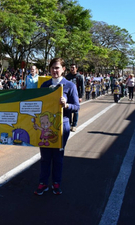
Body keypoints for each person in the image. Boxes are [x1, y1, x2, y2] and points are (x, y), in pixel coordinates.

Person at [34, 58, 80, 196]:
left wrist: (66, 105)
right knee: (45, 156)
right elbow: (38, 104)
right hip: (45, 127)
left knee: (58, 156)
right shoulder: (44, 85)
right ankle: (43, 183)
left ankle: (56, 183)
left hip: (62, 126)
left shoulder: (70, 85)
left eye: (58, 68)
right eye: (53, 67)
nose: (55, 70)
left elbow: (76, 106)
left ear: (63, 69)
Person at [65, 64, 84, 132]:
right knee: (68, 110)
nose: (72, 69)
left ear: (76, 68)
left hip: (76, 96)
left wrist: (81, 96)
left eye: (73, 68)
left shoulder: (79, 77)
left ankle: (74, 125)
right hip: (69, 96)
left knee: (75, 111)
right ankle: (69, 124)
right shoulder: (67, 76)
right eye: (71, 68)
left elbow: (82, 87)